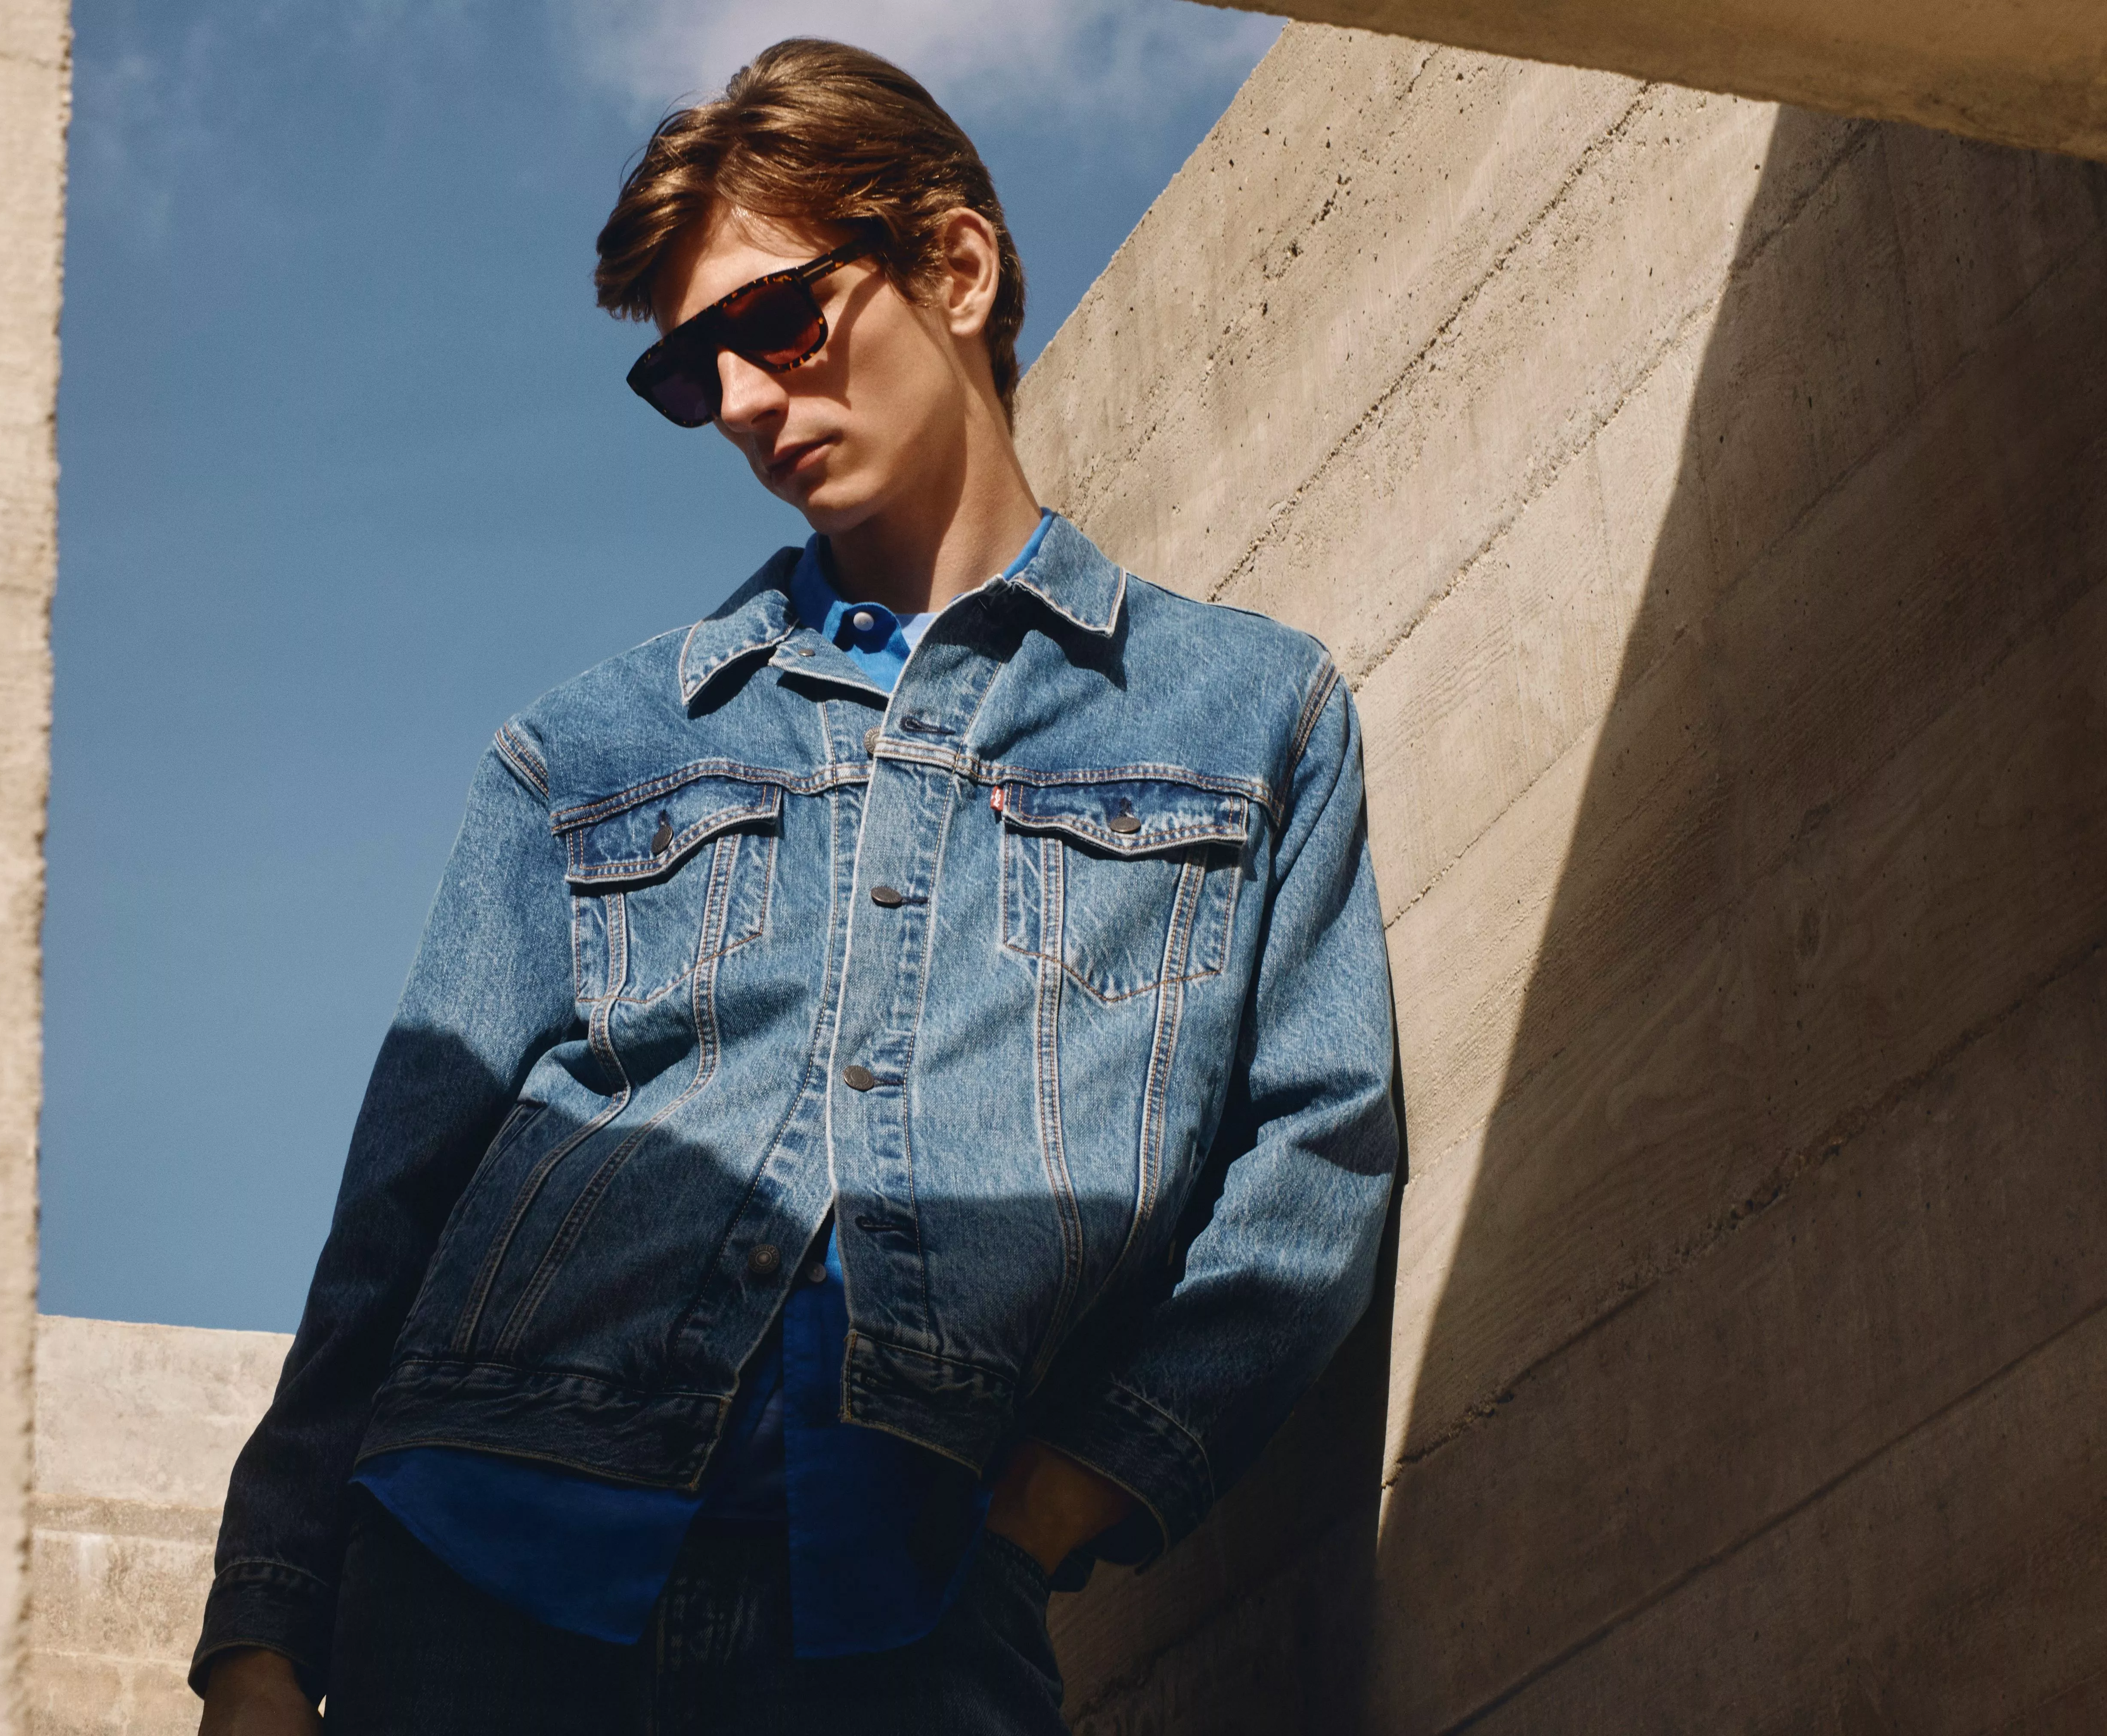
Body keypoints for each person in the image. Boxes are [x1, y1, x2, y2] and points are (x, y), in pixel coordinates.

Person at [192, 37, 1397, 1736]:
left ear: (956, 268)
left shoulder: (1246, 718)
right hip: (481, 1580)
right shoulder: (592, 747)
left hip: (904, 1608)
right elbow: (396, 1214)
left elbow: (1317, 1160)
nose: (747, 405)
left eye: (778, 322)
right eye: (696, 375)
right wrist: (263, 1630)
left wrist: (1077, 1491)